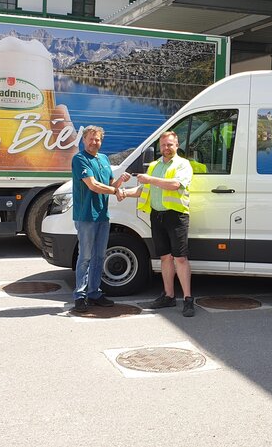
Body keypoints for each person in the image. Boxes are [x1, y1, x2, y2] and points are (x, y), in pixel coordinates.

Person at [121, 131, 196, 317]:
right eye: (163, 145)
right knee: (165, 258)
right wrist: (124, 193)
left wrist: (150, 179)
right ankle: (168, 296)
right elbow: (143, 189)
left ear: (177, 145)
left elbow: (175, 185)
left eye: (170, 144)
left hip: (176, 216)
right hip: (157, 216)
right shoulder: (154, 166)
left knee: (180, 258)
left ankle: (188, 299)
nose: (166, 148)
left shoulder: (183, 164)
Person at [69, 125, 130, 314]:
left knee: (99, 257)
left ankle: (94, 293)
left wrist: (120, 182)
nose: (94, 142)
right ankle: (80, 296)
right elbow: (93, 185)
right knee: (85, 257)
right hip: (86, 216)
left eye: (97, 139)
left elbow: (110, 184)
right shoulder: (79, 159)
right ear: (84, 140)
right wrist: (116, 191)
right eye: (91, 139)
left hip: (102, 215)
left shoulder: (103, 159)